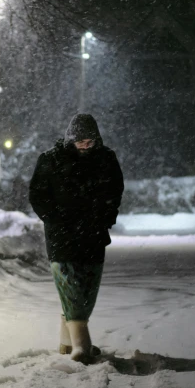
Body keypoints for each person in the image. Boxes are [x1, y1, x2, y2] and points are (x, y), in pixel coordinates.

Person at [29, 113, 124, 364]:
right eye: (80, 141)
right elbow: (37, 195)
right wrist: (54, 218)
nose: (85, 145)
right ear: (70, 139)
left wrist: (106, 217)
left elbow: (115, 190)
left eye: (90, 141)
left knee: (87, 292)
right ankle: (81, 345)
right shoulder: (50, 160)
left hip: (94, 236)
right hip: (62, 238)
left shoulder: (106, 159)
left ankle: (66, 342)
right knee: (70, 288)